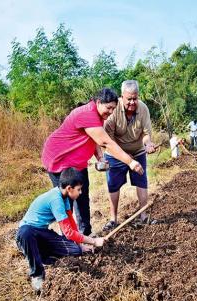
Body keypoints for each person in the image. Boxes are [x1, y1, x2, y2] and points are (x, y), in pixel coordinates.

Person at [41, 88, 144, 236]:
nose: (110, 112)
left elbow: (94, 139)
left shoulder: (97, 115)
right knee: (67, 201)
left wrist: (100, 157)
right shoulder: (86, 113)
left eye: (113, 109)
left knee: (82, 195)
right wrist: (131, 162)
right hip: (59, 160)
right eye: (108, 108)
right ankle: (68, 238)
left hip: (77, 162)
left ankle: (86, 234)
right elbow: (104, 141)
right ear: (98, 102)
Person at [16, 168, 105, 292]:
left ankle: (41, 255)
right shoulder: (56, 199)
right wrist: (93, 241)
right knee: (26, 233)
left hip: (42, 233)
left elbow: (72, 225)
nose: (80, 192)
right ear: (69, 188)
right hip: (28, 233)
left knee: (75, 250)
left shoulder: (65, 198)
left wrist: (81, 246)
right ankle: (37, 274)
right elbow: (68, 233)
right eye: (79, 189)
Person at [103, 80, 156, 231]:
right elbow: (108, 138)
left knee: (141, 181)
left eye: (135, 98)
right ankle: (113, 219)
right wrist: (123, 155)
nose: (132, 102)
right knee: (113, 184)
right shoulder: (113, 109)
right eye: (129, 99)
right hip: (115, 153)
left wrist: (148, 144)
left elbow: (146, 134)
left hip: (137, 151)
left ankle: (143, 215)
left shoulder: (143, 109)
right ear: (122, 97)